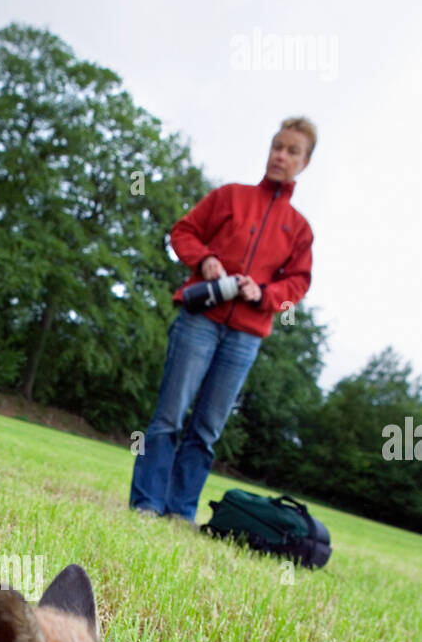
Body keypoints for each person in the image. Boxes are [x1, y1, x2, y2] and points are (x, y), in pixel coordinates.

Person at [129, 117, 315, 522]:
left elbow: (298, 284)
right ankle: (146, 503)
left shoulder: (299, 229)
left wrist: (265, 294)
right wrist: (206, 258)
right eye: (277, 146)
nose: (280, 156)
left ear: (305, 163)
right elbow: (183, 232)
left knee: (208, 428)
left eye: (291, 151)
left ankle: (179, 511)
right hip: (200, 318)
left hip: (245, 336)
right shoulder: (230, 197)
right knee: (168, 416)